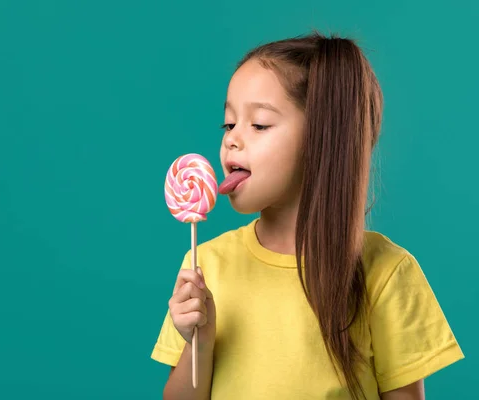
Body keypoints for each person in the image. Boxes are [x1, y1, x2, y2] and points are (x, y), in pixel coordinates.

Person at [150, 31, 464, 400]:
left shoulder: (386, 272)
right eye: (229, 124)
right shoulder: (206, 266)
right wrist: (199, 343)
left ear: (323, 137)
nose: (231, 139)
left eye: (260, 124)